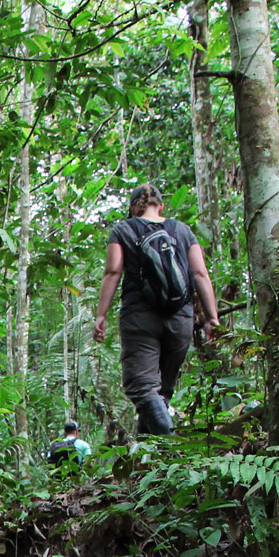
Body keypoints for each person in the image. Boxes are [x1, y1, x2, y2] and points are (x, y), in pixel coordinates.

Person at [90, 183, 221, 435]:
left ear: (132, 208)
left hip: (140, 318)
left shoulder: (123, 230)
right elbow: (200, 273)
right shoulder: (182, 231)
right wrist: (211, 317)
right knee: (161, 392)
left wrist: (101, 314)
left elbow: (113, 270)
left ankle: (174, 453)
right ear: (161, 205)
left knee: (143, 388)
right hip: (180, 318)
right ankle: (152, 468)